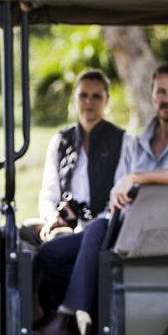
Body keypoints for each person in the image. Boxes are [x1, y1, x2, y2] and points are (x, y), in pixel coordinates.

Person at [34, 62, 168, 335]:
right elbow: (118, 192)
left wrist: (136, 179)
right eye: (161, 92)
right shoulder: (139, 141)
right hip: (129, 225)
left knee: (96, 232)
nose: (167, 99)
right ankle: (80, 322)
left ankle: (66, 317)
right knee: (50, 254)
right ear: (153, 96)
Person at [32, 69, 125, 243]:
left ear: (107, 100)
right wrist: (53, 217)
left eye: (96, 96)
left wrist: (96, 221)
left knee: (51, 251)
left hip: (101, 226)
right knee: (21, 235)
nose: (89, 101)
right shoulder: (61, 140)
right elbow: (48, 192)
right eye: (83, 95)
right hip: (64, 223)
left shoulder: (122, 141)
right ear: (75, 98)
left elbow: (122, 197)